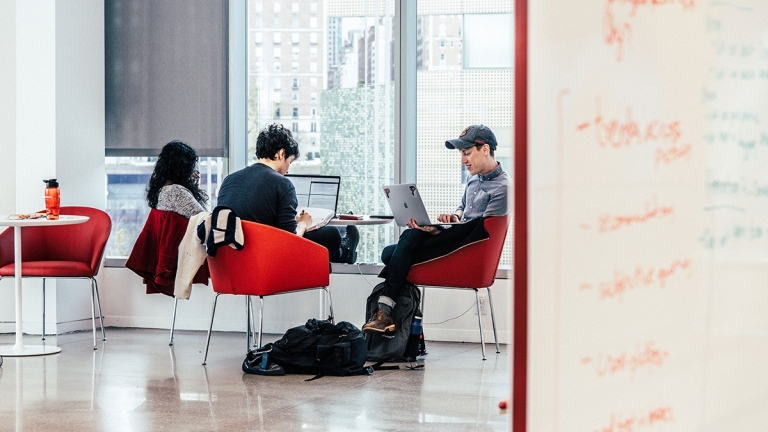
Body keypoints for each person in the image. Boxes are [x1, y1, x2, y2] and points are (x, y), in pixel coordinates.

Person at [362, 124, 510, 333]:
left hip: (465, 248)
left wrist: (439, 230)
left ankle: (384, 312)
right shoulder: (473, 178)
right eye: (461, 154)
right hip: (457, 235)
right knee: (391, 252)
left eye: (467, 153)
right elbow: (463, 209)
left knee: (404, 242)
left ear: (485, 149)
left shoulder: (503, 188)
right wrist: (454, 217)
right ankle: (389, 315)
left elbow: (479, 233)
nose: (463, 160)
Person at [216, 123, 358, 262]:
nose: (288, 170)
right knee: (332, 234)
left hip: (234, 260)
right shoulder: (282, 184)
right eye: (289, 161)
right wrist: (302, 223)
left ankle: (341, 253)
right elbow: (290, 241)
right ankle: (343, 253)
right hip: (268, 260)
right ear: (281, 153)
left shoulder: (229, 180)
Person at [146, 140, 208, 217]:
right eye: (191, 166)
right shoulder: (175, 191)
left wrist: (192, 185)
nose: (193, 169)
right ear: (182, 167)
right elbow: (204, 219)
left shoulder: (163, 189)